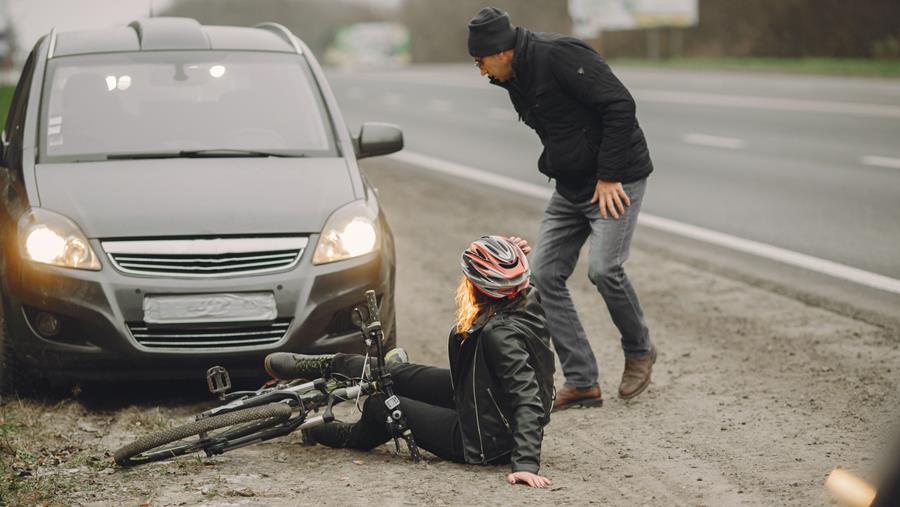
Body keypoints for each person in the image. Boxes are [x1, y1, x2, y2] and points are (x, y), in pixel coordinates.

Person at [467, 7, 657, 410]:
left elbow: (620, 105)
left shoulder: (559, 55)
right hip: (571, 188)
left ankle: (639, 350)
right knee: (542, 275)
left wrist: (608, 175)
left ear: (500, 51)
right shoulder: (515, 77)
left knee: (604, 269)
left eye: (480, 61)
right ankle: (583, 381)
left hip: (613, 181)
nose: (481, 71)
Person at [264, 236, 557, 488]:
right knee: (394, 373)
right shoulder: (526, 295)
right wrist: (504, 256)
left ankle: (340, 434)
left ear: (479, 287)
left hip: (483, 437)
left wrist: (526, 464)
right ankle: (325, 364)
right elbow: (511, 278)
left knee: (382, 405)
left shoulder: (501, 335)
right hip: (479, 397)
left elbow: (527, 397)